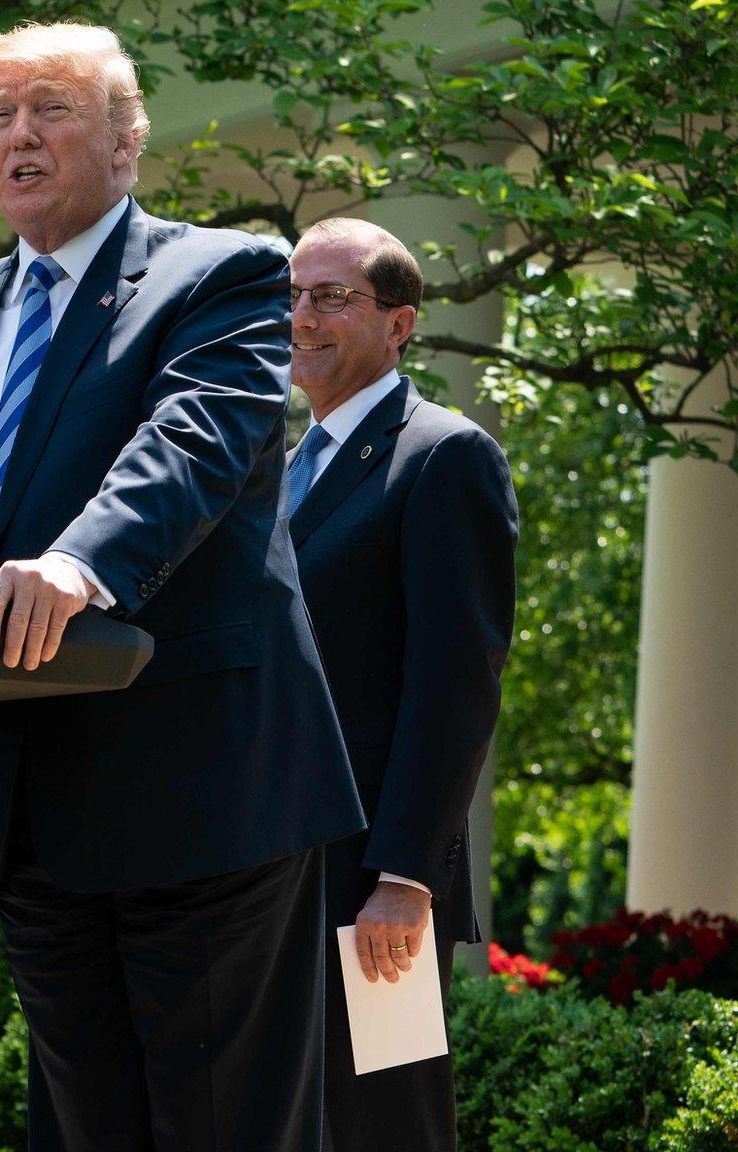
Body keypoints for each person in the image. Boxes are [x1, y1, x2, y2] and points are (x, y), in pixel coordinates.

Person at [0, 22, 365, 1151]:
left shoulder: (222, 275)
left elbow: (192, 443)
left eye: (49, 108)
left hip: (197, 785)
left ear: (126, 137)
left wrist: (77, 560)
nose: (18, 135)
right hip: (32, 801)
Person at [284, 217, 517, 1152]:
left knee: (388, 1126)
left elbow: (456, 685)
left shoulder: (445, 456)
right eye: (293, 294)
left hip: (373, 888)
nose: (302, 316)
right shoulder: (267, 464)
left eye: (332, 297)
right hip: (255, 869)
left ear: (401, 324)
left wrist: (406, 878)